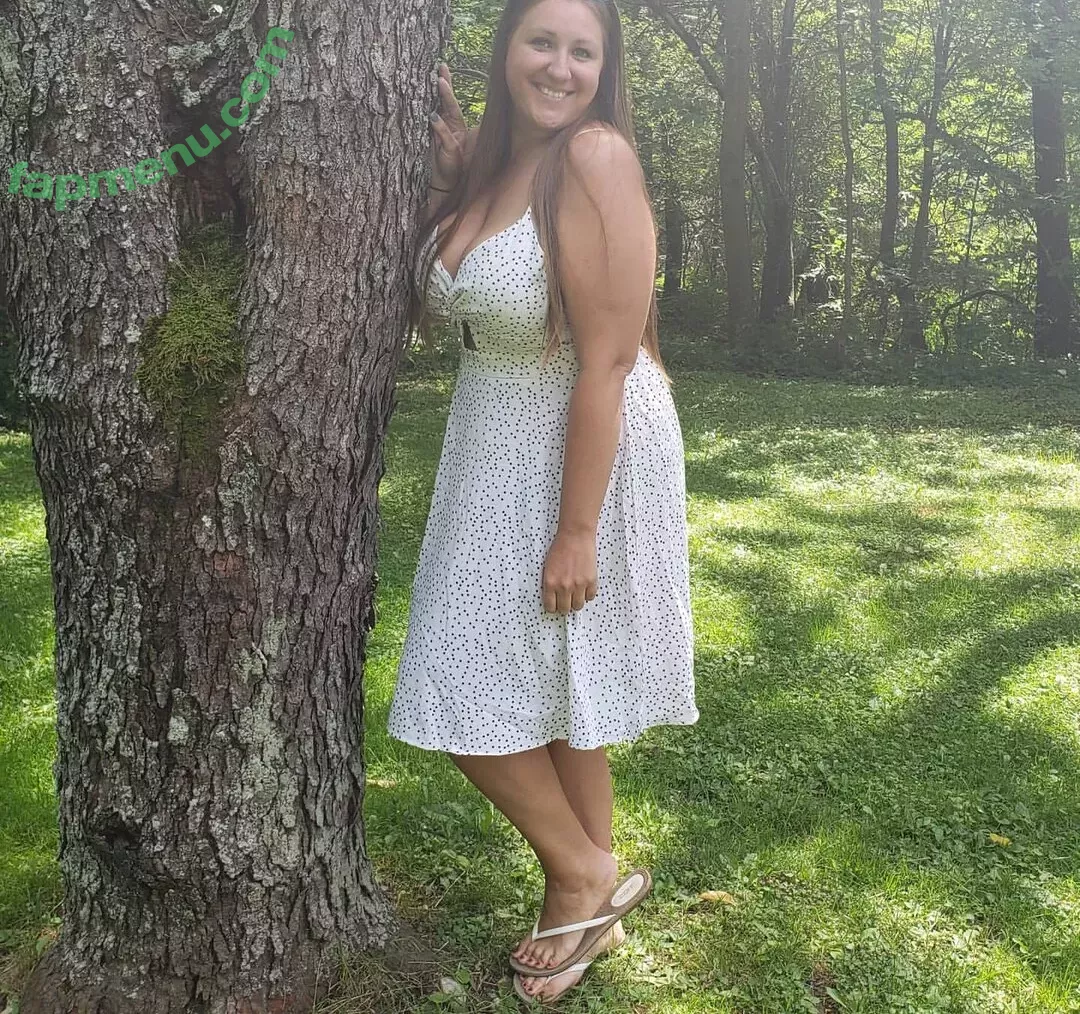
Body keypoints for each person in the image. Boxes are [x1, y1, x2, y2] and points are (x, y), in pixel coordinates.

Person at [388, 0, 699, 1002]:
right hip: (492, 435)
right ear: (505, 50)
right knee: (561, 681)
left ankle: (579, 871)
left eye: (582, 50)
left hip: (581, 440)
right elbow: (462, 295)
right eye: (541, 42)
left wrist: (577, 531)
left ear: (605, 69)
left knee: (453, 675)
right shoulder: (494, 162)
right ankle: (589, 905)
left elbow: (609, 359)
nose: (559, 67)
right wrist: (449, 183)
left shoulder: (595, 158)